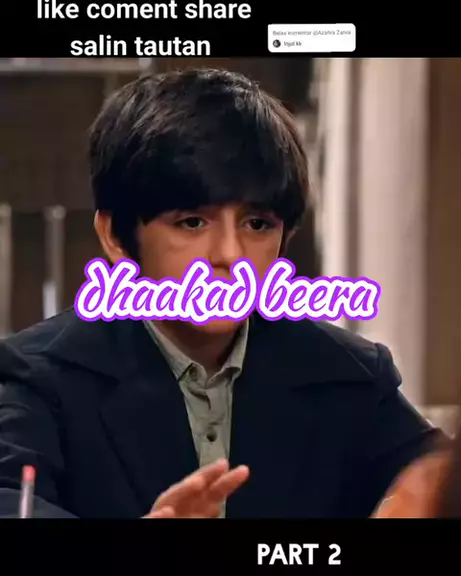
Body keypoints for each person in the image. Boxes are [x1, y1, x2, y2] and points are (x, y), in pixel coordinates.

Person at [0, 68, 443, 519]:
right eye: (192, 222)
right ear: (115, 236)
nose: (231, 254)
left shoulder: (346, 374)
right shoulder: (37, 378)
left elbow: (439, 480)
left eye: (258, 224)